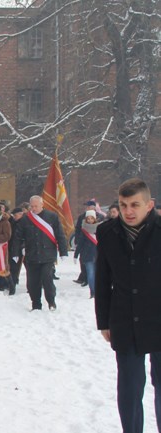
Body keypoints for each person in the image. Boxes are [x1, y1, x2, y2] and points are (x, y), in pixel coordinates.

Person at [95, 178, 161, 433]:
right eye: (124, 205)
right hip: (125, 319)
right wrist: (103, 321)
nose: (129, 211)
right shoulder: (107, 232)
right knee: (130, 387)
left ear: (149, 205)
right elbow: (102, 280)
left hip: (158, 318)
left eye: (135, 204)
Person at [12, 195, 68, 311]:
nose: (33, 208)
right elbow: (17, 237)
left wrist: (63, 251)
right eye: (31, 206)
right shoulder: (25, 219)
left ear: (42, 205)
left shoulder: (52, 217)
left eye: (36, 206)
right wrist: (15, 252)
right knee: (32, 283)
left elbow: (60, 235)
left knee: (47, 279)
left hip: (47, 255)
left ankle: (51, 301)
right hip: (31, 255)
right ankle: (36, 304)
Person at [73, 200, 103, 286]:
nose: (86, 208)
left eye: (88, 206)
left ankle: (93, 281)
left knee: (96, 265)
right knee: (83, 261)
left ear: (93, 207)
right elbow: (78, 228)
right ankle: (84, 278)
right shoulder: (82, 217)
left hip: (95, 244)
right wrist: (77, 240)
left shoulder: (100, 217)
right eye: (86, 206)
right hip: (84, 243)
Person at [73, 209, 99, 299]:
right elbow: (80, 244)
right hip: (87, 255)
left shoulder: (100, 228)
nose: (90, 220)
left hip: (98, 255)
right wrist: (76, 255)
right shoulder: (83, 230)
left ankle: (99, 291)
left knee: (98, 274)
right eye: (88, 218)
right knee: (90, 274)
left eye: (92, 218)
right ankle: (93, 292)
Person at [8, 207, 25, 286]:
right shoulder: (13, 222)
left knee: (16, 267)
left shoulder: (25, 223)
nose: (14, 217)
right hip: (13, 246)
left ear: (21, 214)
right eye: (13, 215)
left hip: (21, 248)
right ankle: (12, 281)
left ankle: (14, 281)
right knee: (12, 266)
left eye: (16, 215)